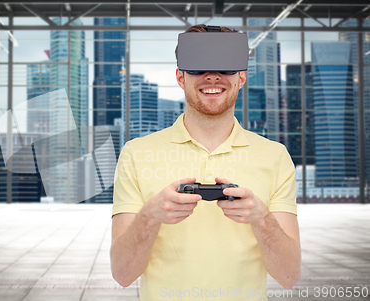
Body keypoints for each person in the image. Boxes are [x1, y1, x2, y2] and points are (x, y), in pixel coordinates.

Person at [110, 24, 301, 301]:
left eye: (225, 68)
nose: (212, 76)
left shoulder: (275, 156)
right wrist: (150, 216)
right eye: (198, 68)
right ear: (180, 77)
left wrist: (261, 219)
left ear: (242, 77)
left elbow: (289, 276)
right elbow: (122, 274)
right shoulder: (136, 153)